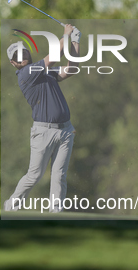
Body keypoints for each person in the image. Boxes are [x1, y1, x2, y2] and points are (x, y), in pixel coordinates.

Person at [4, 24, 81, 213]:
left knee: (59, 174)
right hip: (43, 132)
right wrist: (65, 35)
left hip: (65, 130)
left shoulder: (44, 72)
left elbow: (71, 69)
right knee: (35, 175)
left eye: (23, 52)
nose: (22, 57)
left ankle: (56, 212)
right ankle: (11, 206)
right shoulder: (26, 74)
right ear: (13, 63)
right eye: (17, 57)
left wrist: (75, 42)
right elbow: (54, 57)